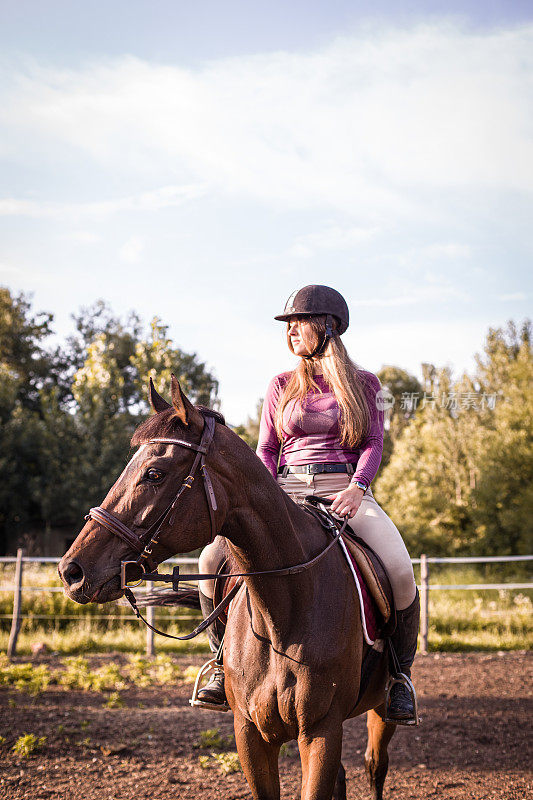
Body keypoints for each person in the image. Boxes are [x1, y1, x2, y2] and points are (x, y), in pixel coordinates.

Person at [195, 285, 419, 723]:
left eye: (299, 322)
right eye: (288, 325)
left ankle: (399, 678)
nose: (291, 331)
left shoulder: (365, 384)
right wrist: (266, 494)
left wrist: (357, 488)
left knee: (399, 570)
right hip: (285, 492)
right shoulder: (280, 384)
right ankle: (220, 665)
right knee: (209, 560)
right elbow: (266, 450)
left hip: (346, 490)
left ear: (328, 327)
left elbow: (373, 444)